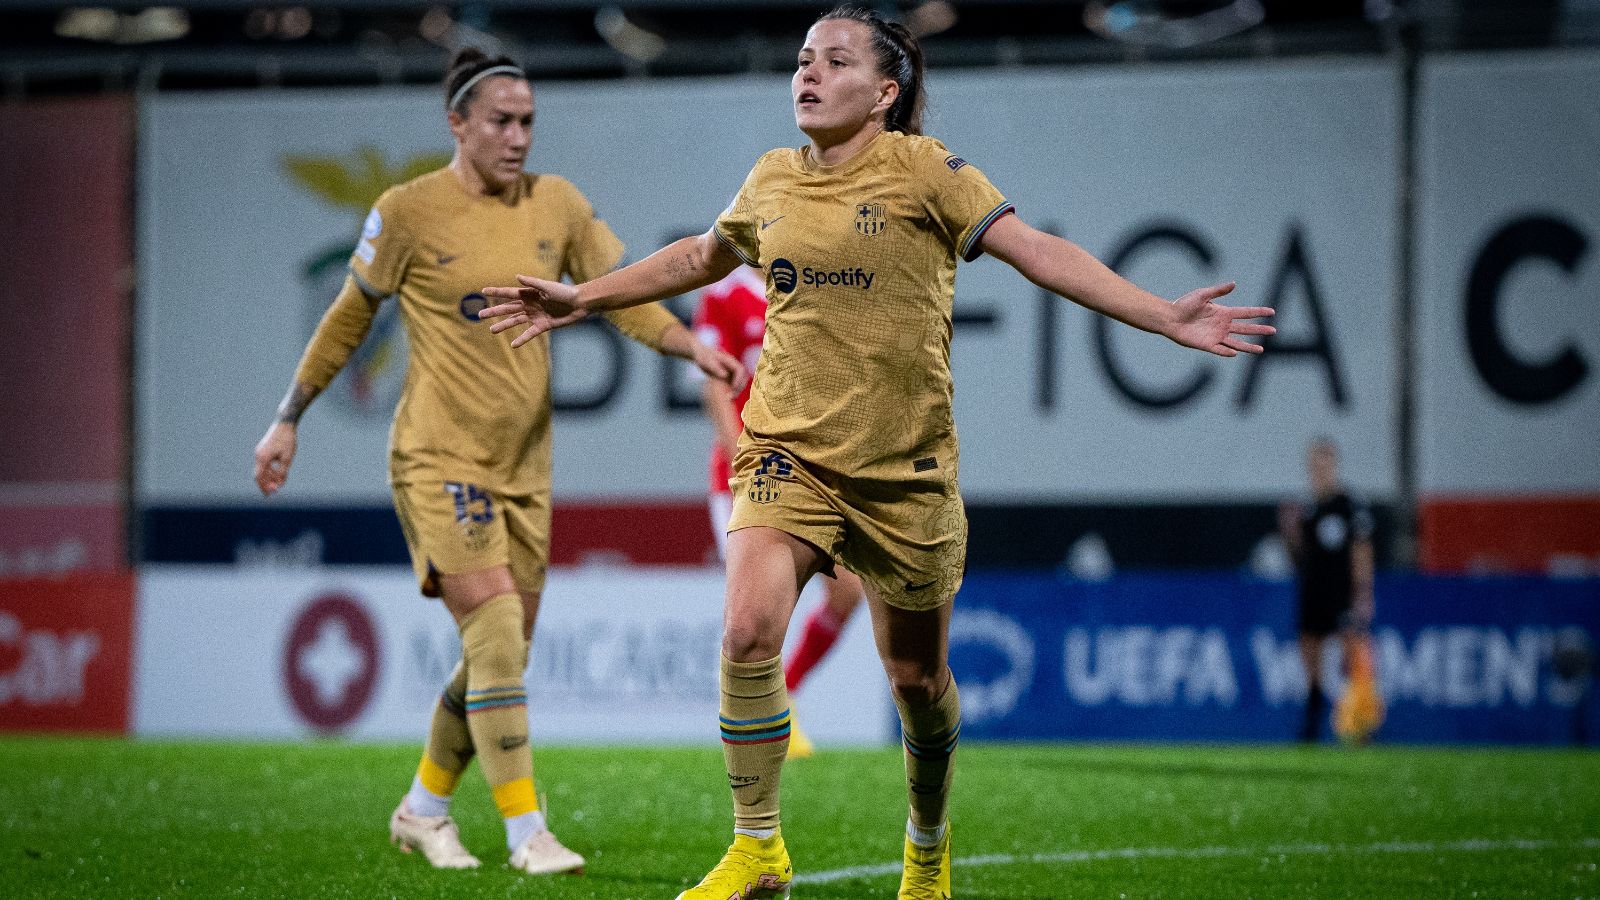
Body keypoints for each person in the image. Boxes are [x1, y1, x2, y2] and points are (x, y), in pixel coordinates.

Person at [480, 7, 1275, 896]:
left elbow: (1037, 253)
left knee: (917, 680)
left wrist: (1162, 314)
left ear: (885, 92)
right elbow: (700, 257)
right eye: (802, 59)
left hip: (905, 475)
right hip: (786, 451)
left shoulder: (926, 171)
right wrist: (580, 299)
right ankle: (757, 846)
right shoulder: (772, 179)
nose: (806, 74)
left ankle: (927, 847)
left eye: (834, 60)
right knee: (745, 632)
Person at [251, 47, 744, 876]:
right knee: (497, 633)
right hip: (436, 456)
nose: (518, 137)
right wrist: (287, 419)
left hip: (525, 468)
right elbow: (348, 319)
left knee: (498, 653)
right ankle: (526, 833)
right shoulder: (407, 211)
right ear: (458, 124)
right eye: (501, 122)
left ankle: (423, 809)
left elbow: (619, 287)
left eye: (527, 122)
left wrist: (688, 345)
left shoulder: (557, 204)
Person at [694, 265, 868, 759]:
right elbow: (713, 386)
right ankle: (757, 730)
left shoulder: (814, 279)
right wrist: (741, 461)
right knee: (761, 609)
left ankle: (785, 697)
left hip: (808, 472)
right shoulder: (725, 293)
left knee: (848, 590)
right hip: (746, 475)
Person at [1278, 437, 1378, 744]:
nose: (1319, 470)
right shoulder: (1306, 507)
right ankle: (1313, 716)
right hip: (1313, 589)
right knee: (1309, 645)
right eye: (1314, 464)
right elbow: (1299, 556)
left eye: (1325, 463)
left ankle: (1360, 723)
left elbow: (1361, 549)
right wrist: (1289, 533)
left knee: (1352, 648)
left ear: (1334, 465)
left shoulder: (1348, 503)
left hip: (1342, 590)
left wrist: (1363, 591)